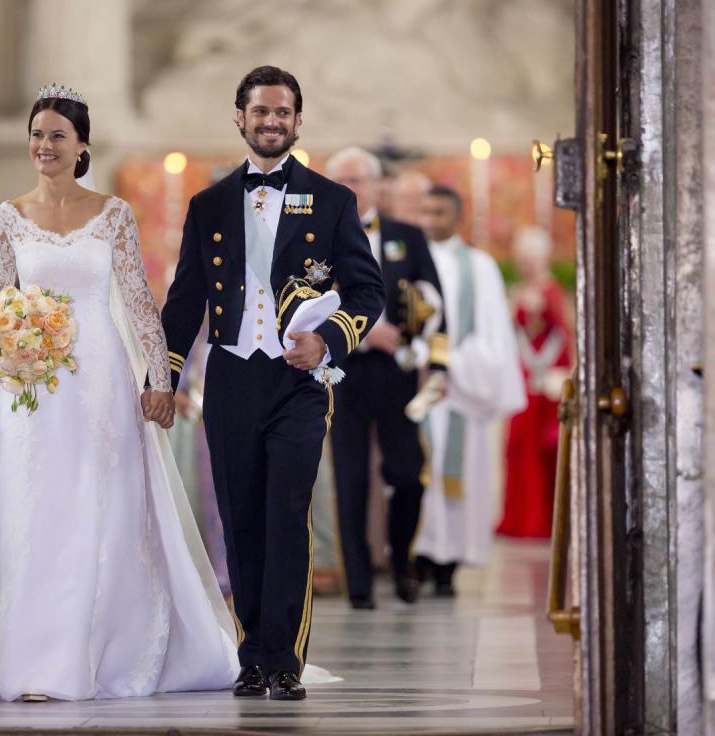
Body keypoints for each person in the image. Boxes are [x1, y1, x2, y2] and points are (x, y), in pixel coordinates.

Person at [0, 85, 243, 702]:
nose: (43, 147)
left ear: (81, 148)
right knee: (37, 508)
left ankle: (109, 646)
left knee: (103, 505)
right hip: (34, 388)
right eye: (37, 134)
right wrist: (4, 351)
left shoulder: (113, 213)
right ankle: (36, 658)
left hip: (101, 377)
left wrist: (160, 378)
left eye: (56, 137)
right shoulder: (4, 218)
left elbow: (137, 301)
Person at [161, 66, 385, 700]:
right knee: (241, 520)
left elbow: (369, 290)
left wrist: (329, 340)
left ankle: (284, 658)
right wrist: (167, 376)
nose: (270, 122)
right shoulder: (207, 205)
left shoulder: (333, 198)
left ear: (296, 120)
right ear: (240, 117)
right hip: (231, 378)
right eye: (260, 111)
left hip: (299, 380)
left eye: (282, 112)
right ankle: (251, 653)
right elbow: (185, 301)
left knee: (287, 513)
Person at [325, 147, 447, 607]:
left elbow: (436, 305)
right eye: (342, 181)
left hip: (397, 375)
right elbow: (305, 302)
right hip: (341, 373)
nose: (351, 189)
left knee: (408, 475)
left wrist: (439, 367)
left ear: (378, 186)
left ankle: (401, 565)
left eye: (358, 179)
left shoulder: (407, 236)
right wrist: (364, 332)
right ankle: (358, 585)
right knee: (351, 479)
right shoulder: (318, 237)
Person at [411, 186, 526, 596]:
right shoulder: (407, 260)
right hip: (416, 387)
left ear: (456, 216)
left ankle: (448, 566)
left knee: (455, 480)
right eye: (424, 211)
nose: (430, 220)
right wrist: (418, 356)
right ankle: (415, 558)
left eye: (439, 212)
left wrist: (454, 364)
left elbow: (492, 334)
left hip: (460, 392)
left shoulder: (479, 267)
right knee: (414, 475)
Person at [496, 226, 572, 538]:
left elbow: (563, 334)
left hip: (547, 383)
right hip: (523, 379)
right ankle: (519, 518)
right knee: (518, 448)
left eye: (530, 259)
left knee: (542, 452)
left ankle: (541, 521)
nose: (525, 265)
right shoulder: (518, 291)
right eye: (522, 259)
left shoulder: (552, 291)